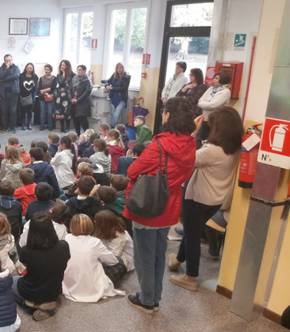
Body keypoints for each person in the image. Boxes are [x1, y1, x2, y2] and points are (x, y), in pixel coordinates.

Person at [124, 97, 196, 313]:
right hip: (170, 204)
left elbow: (132, 171)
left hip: (148, 205)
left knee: (144, 255)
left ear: (168, 116)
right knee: (158, 253)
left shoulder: (160, 144)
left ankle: (147, 299)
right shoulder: (190, 144)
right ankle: (155, 296)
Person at [169, 107, 243, 291]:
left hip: (198, 198)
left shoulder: (212, 150)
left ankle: (191, 277)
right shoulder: (234, 149)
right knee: (192, 230)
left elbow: (186, 158)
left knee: (192, 236)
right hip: (215, 200)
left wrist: (193, 133)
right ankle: (178, 260)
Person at [14, 212, 71, 321]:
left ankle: (32, 305)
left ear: (32, 230)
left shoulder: (26, 251)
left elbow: (24, 267)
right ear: (51, 227)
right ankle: (44, 304)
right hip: (55, 290)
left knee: (12, 281)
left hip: (31, 291)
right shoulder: (64, 246)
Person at [62, 214, 122, 303]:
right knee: (119, 263)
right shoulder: (95, 242)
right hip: (91, 284)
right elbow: (112, 261)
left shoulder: (66, 238)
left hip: (69, 281)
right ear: (90, 226)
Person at [93, 209, 134, 285]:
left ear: (103, 224)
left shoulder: (120, 236)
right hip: (109, 255)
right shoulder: (107, 231)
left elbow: (114, 256)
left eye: (96, 221)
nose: (94, 222)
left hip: (124, 259)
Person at [197, 73, 232, 142]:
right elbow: (200, 100)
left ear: (223, 80)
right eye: (214, 78)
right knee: (201, 140)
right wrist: (204, 104)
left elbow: (213, 105)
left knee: (211, 141)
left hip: (216, 121)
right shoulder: (211, 88)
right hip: (205, 118)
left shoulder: (225, 91)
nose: (214, 80)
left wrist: (203, 104)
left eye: (216, 78)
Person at [0, 54, 21, 132]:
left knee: (13, 110)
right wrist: (7, 69)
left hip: (13, 92)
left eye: (10, 60)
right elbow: (0, 76)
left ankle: (12, 127)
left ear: (12, 60)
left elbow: (16, 76)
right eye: (7, 60)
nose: (8, 62)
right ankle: (5, 127)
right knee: (4, 111)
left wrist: (4, 79)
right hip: (4, 93)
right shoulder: (1, 68)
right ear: (4, 61)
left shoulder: (16, 68)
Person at [71, 64, 92, 134]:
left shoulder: (87, 81)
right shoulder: (74, 78)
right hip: (74, 103)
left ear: (84, 71)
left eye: (80, 70)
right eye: (78, 70)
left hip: (83, 103)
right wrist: (72, 98)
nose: (78, 71)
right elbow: (71, 89)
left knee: (83, 120)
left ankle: (88, 135)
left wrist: (78, 100)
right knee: (75, 120)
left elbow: (86, 93)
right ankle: (78, 135)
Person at [37, 64, 58, 131]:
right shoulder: (41, 78)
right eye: (45, 69)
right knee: (42, 112)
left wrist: (45, 91)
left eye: (48, 69)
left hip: (50, 97)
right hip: (42, 97)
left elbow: (53, 88)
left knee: (49, 112)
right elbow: (39, 88)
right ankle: (42, 126)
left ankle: (50, 126)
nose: (46, 71)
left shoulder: (54, 78)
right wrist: (45, 92)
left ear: (51, 70)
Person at [56, 60, 74, 132]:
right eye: (61, 65)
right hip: (60, 96)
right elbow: (60, 84)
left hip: (68, 96)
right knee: (60, 111)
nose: (62, 66)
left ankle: (67, 127)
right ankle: (62, 126)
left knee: (67, 112)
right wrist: (63, 74)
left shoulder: (72, 75)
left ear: (67, 66)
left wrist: (64, 76)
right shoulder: (59, 75)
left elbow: (70, 85)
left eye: (63, 65)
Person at [19, 63, 38, 130]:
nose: (29, 69)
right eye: (28, 67)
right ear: (26, 68)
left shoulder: (35, 76)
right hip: (23, 95)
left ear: (32, 69)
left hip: (31, 96)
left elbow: (35, 87)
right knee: (23, 111)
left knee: (30, 111)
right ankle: (23, 124)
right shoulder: (21, 75)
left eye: (31, 68)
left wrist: (34, 95)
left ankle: (29, 124)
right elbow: (19, 85)